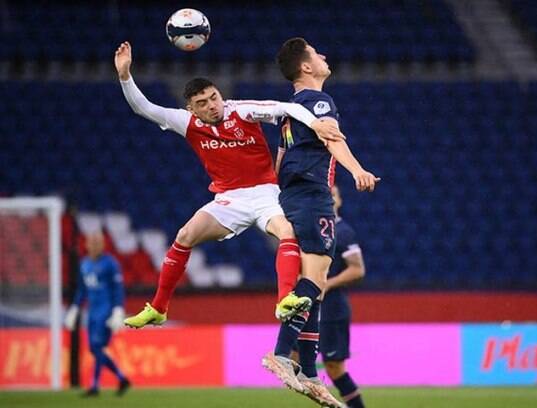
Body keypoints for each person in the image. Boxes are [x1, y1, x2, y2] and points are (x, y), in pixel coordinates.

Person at [111, 42, 344, 328]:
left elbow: (287, 108)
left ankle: (285, 299)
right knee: (185, 234)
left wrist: (317, 124)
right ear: (191, 109)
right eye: (203, 103)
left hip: (265, 193)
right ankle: (159, 308)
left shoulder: (241, 111)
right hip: (228, 199)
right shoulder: (186, 123)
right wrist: (125, 75)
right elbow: (143, 108)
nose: (212, 105)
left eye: (214, 97)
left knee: (286, 231)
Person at [262, 37, 379, 408]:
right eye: (317, 53)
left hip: (291, 197)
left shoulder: (288, 111)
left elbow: (279, 160)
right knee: (316, 280)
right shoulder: (319, 101)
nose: (324, 55)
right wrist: (358, 170)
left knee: (310, 281)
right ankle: (282, 353)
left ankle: (309, 372)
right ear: (306, 67)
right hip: (314, 196)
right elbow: (332, 139)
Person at [64, 232, 130, 397]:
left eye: (97, 242)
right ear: (86, 245)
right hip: (92, 312)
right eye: (91, 242)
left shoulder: (110, 264)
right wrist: (75, 308)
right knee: (95, 349)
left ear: (102, 245)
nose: (94, 246)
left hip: (106, 311)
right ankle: (121, 378)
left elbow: (118, 288)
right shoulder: (84, 264)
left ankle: (94, 386)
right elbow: (82, 290)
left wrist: (117, 309)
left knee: (97, 346)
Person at [320, 185, 366, 408]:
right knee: (295, 361)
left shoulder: (343, 232)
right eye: (324, 194)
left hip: (332, 309)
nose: (329, 199)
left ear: (339, 201)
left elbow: (357, 269)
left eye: (334, 195)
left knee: (334, 367)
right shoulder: (307, 229)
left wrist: (327, 284)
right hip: (310, 306)